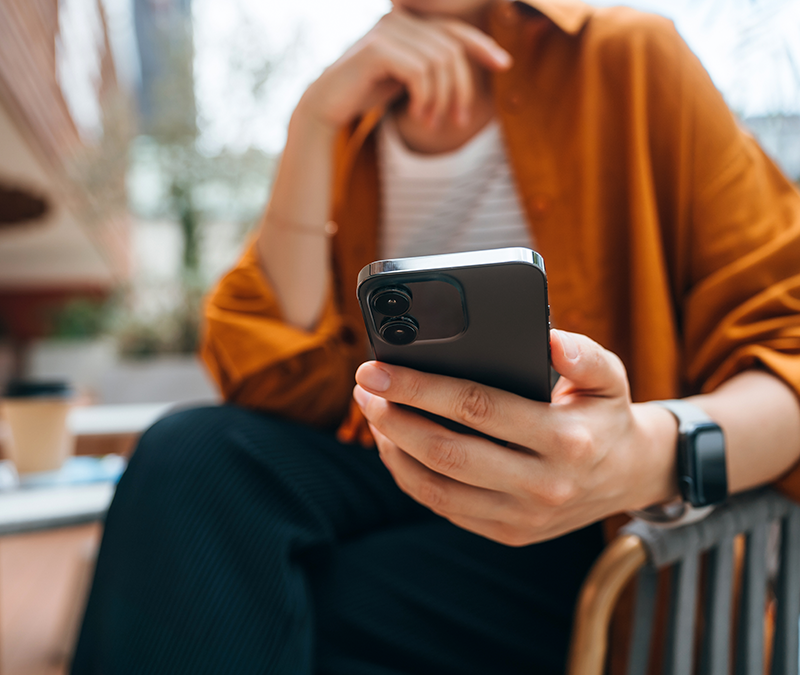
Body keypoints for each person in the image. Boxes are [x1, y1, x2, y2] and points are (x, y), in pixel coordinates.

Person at [72, 0, 800, 673]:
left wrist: (640, 455)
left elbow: (789, 358)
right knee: (187, 454)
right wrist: (314, 121)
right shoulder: (356, 122)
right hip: (402, 478)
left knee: (237, 596)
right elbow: (271, 380)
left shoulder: (630, 61)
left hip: (595, 528)